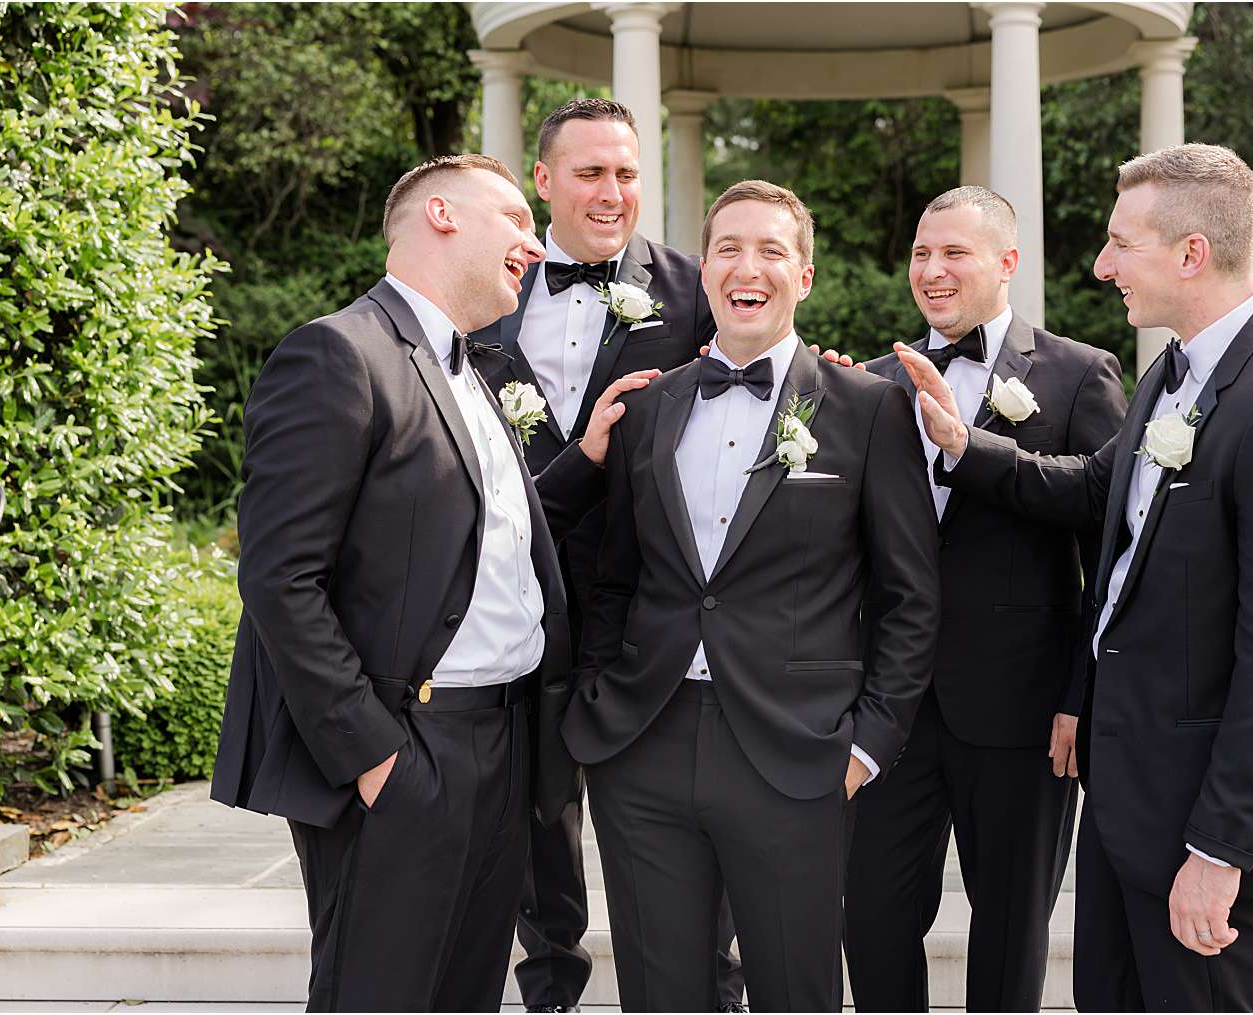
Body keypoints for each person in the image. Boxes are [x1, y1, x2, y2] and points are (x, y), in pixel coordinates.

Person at [898, 143, 1253, 1012]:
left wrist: (1219, 851)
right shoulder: (1175, 371)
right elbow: (1092, 488)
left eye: (1121, 243)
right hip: (1127, 797)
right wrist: (962, 446)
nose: (1101, 264)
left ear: (1191, 253)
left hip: (1200, 820)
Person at [210, 154, 650, 1012]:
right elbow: (278, 578)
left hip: (506, 742)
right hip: (407, 746)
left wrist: (588, 459)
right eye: (516, 220)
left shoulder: (475, 370)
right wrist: (374, 756)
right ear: (441, 215)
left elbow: (486, 535)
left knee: (465, 996)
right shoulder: (339, 353)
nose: (532, 243)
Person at [564, 180, 940, 1012]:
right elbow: (616, 574)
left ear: (804, 276)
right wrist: (601, 705)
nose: (749, 265)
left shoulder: (870, 408)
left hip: (797, 754)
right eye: (729, 248)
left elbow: (909, 596)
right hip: (643, 742)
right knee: (662, 995)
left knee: (795, 991)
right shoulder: (649, 407)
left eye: (773, 249)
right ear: (704, 274)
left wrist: (866, 745)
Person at [466, 98, 742, 1014]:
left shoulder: (698, 287)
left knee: (681, 797)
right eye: (589, 172)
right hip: (520, 593)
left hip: (656, 597)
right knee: (536, 802)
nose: (612, 191)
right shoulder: (481, 294)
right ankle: (551, 987)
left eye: (627, 172)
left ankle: (714, 982)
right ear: (543, 181)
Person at [846, 186, 1126, 1012]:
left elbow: (1104, 547)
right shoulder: (870, 382)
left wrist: (1081, 697)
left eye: (954, 253)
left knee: (1009, 930)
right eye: (922, 253)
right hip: (889, 708)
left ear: (1008, 262)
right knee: (870, 917)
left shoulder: (1078, 375)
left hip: (1024, 709)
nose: (931, 271)